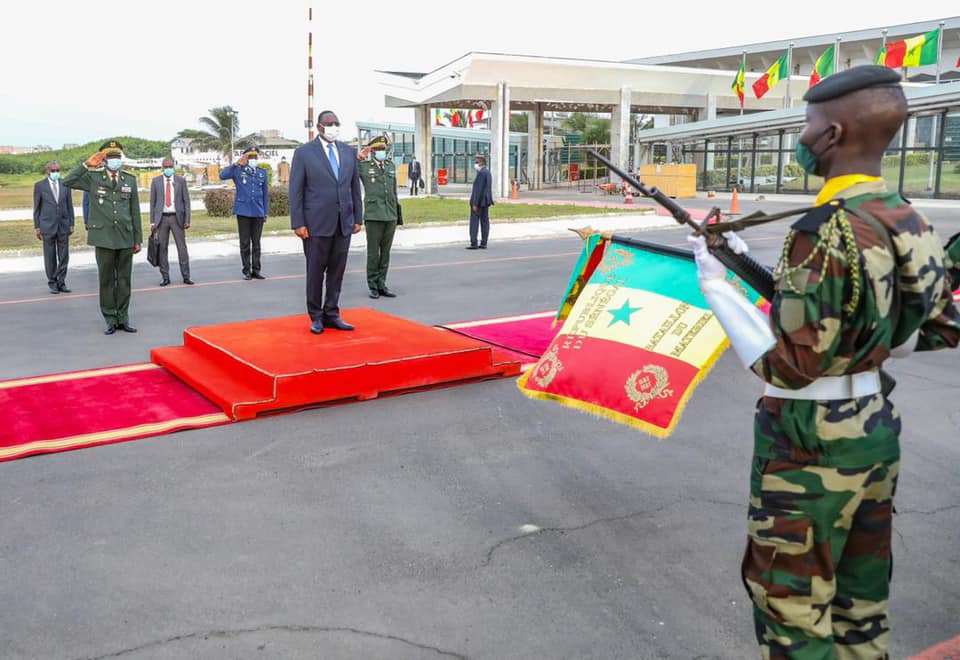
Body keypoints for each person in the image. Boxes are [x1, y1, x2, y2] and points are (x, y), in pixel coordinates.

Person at [687, 66, 960, 659]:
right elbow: (938, 327)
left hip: (810, 446)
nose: (802, 139)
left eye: (808, 126)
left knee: (792, 612)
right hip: (872, 432)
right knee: (860, 608)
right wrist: (739, 261)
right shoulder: (905, 216)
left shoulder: (825, 228)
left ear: (833, 134)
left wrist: (713, 286)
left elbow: (787, 366)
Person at [289, 110, 363, 334]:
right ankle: (316, 316)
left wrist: (357, 217)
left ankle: (332, 312)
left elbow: (354, 188)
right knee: (315, 272)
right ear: (319, 127)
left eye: (336, 123)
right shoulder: (304, 153)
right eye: (329, 123)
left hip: (344, 222)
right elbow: (296, 190)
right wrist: (298, 223)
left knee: (337, 272)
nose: (333, 127)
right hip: (315, 224)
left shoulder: (348, 151)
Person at [63, 139, 143, 334]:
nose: (115, 160)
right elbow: (67, 181)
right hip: (104, 237)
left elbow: (135, 211)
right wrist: (85, 165)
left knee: (124, 280)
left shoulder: (129, 180)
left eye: (117, 157)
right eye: (110, 157)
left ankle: (123, 318)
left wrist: (138, 239)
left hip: (125, 237)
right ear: (104, 159)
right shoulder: (93, 178)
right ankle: (110, 318)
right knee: (106, 280)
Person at [357, 135, 400, 299]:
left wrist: (397, 213)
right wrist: (359, 157)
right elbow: (351, 172)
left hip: (390, 215)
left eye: (384, 149)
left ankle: (382, 284)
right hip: (374, 215)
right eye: (379, 149)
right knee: (373, 253)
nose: (382, 152)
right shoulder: (365, 166)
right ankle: (373, 285)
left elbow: (394, 191)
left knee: (386, 253)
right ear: (372, 151)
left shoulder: (390, 166)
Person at [220, 146, 268, 280]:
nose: (253, 159)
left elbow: (265, 194)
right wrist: (235, 164)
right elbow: (222, 176)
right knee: (245, 242)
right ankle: (246, 270)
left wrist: (265, 212)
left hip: (258, 211)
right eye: (250, 157)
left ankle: (256, 270)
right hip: (244, 211)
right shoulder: (238, 170)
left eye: (255, 157)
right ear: (245, 157)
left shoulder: (262, 172)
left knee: (257, 243)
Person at [149, 158, 193, 286]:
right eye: (165, 166)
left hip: (177, 218)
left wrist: (187, 219)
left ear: (173, 167)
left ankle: (186, 276)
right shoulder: (156, 181)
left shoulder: (180, 181)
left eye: (170, 166)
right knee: (162, 248)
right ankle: (165, 277)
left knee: (182, 248)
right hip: (161, 219)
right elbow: (153, 203)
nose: (168, 168)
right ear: (162, 167)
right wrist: (152, 222)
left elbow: (186, 201)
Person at [32, 160, 74, 294]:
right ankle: (52, 282)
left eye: (58, 170)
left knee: (63, 256)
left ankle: (61, 282)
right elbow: (37, 208)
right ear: (48, 171)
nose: (56, 173)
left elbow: (69, 206)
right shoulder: (39, 186)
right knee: (50, 256)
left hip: (63, 225)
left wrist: (71, 223)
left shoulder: (65, 184)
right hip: (47, 226)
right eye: (53, 171)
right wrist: (37, 227)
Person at [466, 154, 493, 249]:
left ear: (482, 162)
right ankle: (484, 243)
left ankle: (474, 242)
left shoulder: (482, 173)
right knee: (485, 222)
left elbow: (478, 190)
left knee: (474, 222)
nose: (475, 164)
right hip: (485, 202)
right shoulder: (488, 172)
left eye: (476, 162)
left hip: (479, 203)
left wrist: (475, 203)